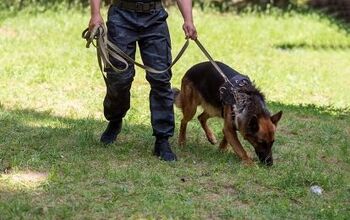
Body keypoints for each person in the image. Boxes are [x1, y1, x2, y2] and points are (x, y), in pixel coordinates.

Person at [88, 0, 197, 161]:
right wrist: (95, 14)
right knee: (119, 78)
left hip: (154, 18)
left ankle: (162, 139)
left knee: (161, 79)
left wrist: (188, 20)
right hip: (121, 16)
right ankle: (115, 119)